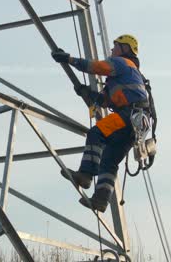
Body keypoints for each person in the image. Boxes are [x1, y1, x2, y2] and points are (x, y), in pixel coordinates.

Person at [51, 34, 150, 212]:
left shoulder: (122, 63)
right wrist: (85, 92)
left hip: (129, 115)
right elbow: (104, 101)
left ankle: (85, 175)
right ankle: (101, 200)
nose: (112, 50)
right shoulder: (124, 76)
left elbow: (97, 66)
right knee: (109, 161)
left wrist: (69, 59)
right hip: (136, 124)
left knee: (96, 133)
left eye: (116, 46)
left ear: (125, 49)